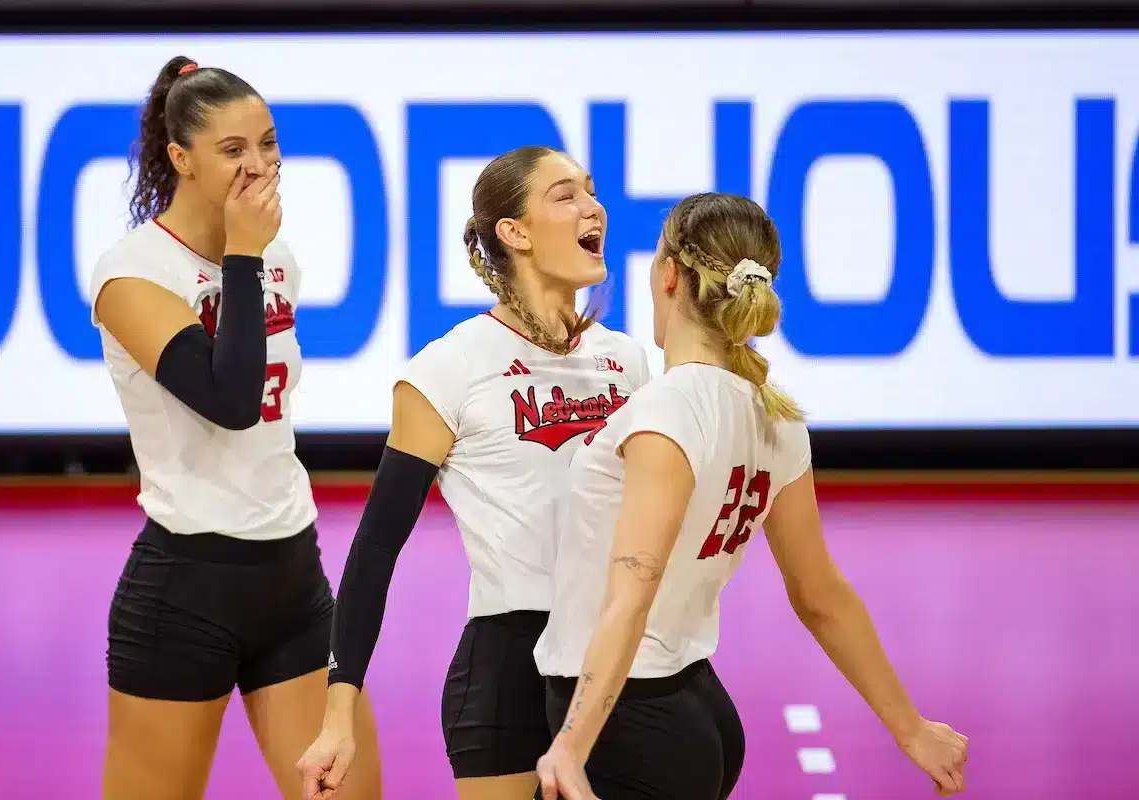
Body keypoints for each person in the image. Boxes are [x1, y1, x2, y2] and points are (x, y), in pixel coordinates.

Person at [531, 192, 970, 800]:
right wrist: (910, 727)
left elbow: (633, 593)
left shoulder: (668, 408)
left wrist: (573, 745)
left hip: (626, 727)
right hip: (692, 707)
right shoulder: (775, 417)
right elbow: (821, 597)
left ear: (668, 276)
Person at [297, 146, 652, 800]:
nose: (593, 206)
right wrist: (338, 715)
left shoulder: (633, 363)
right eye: (565, 194)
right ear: (514, 232)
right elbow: (375, 548)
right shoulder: (448, 369)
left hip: (620, 658)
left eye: (592, 192)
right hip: (507, 669)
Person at [91, 55, 381, 800]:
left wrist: (253, 256)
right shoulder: (132, 275)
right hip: (187, 589)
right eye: (232, 150)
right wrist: (243, 256)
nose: (259, 165)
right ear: (180, 159)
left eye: (268, 142)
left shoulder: (276, 260)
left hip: (293, 578)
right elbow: (229, 399)